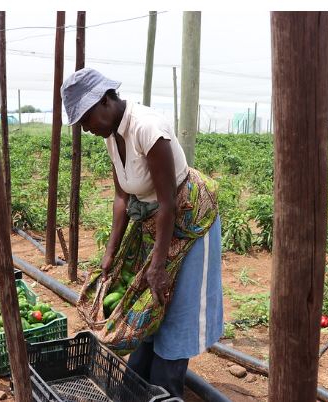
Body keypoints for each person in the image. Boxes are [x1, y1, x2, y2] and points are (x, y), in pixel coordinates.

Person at [61, 67, 223, 399]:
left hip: (190, 220)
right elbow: (123, 196)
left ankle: (167, 385)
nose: (85, 128)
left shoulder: (147, 128)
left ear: (105, 101)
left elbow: (168, 203)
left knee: (176, 302)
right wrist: (110, 253)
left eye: (86, 118)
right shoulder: (110, 136)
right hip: (156, 220)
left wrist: (158, 266)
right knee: (146, 299)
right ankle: (139, 380)